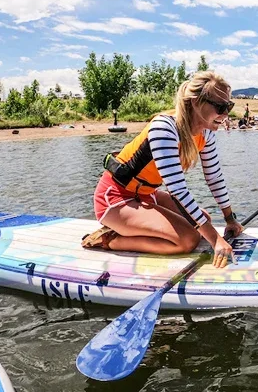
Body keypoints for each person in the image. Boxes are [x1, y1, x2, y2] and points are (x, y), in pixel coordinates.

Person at [82, 71, 243, 267]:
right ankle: (111, 239)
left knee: (204, 221)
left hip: (145, 195)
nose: (226, 114)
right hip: (116, 198)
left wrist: (230, 219)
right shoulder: (164, 128)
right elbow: (177, 191)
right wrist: (216, 240)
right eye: (220, 107)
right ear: (195, 102)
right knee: (188, 240)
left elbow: (214, 178)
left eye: (229, 106)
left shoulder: (206, 133)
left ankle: (131, 226)